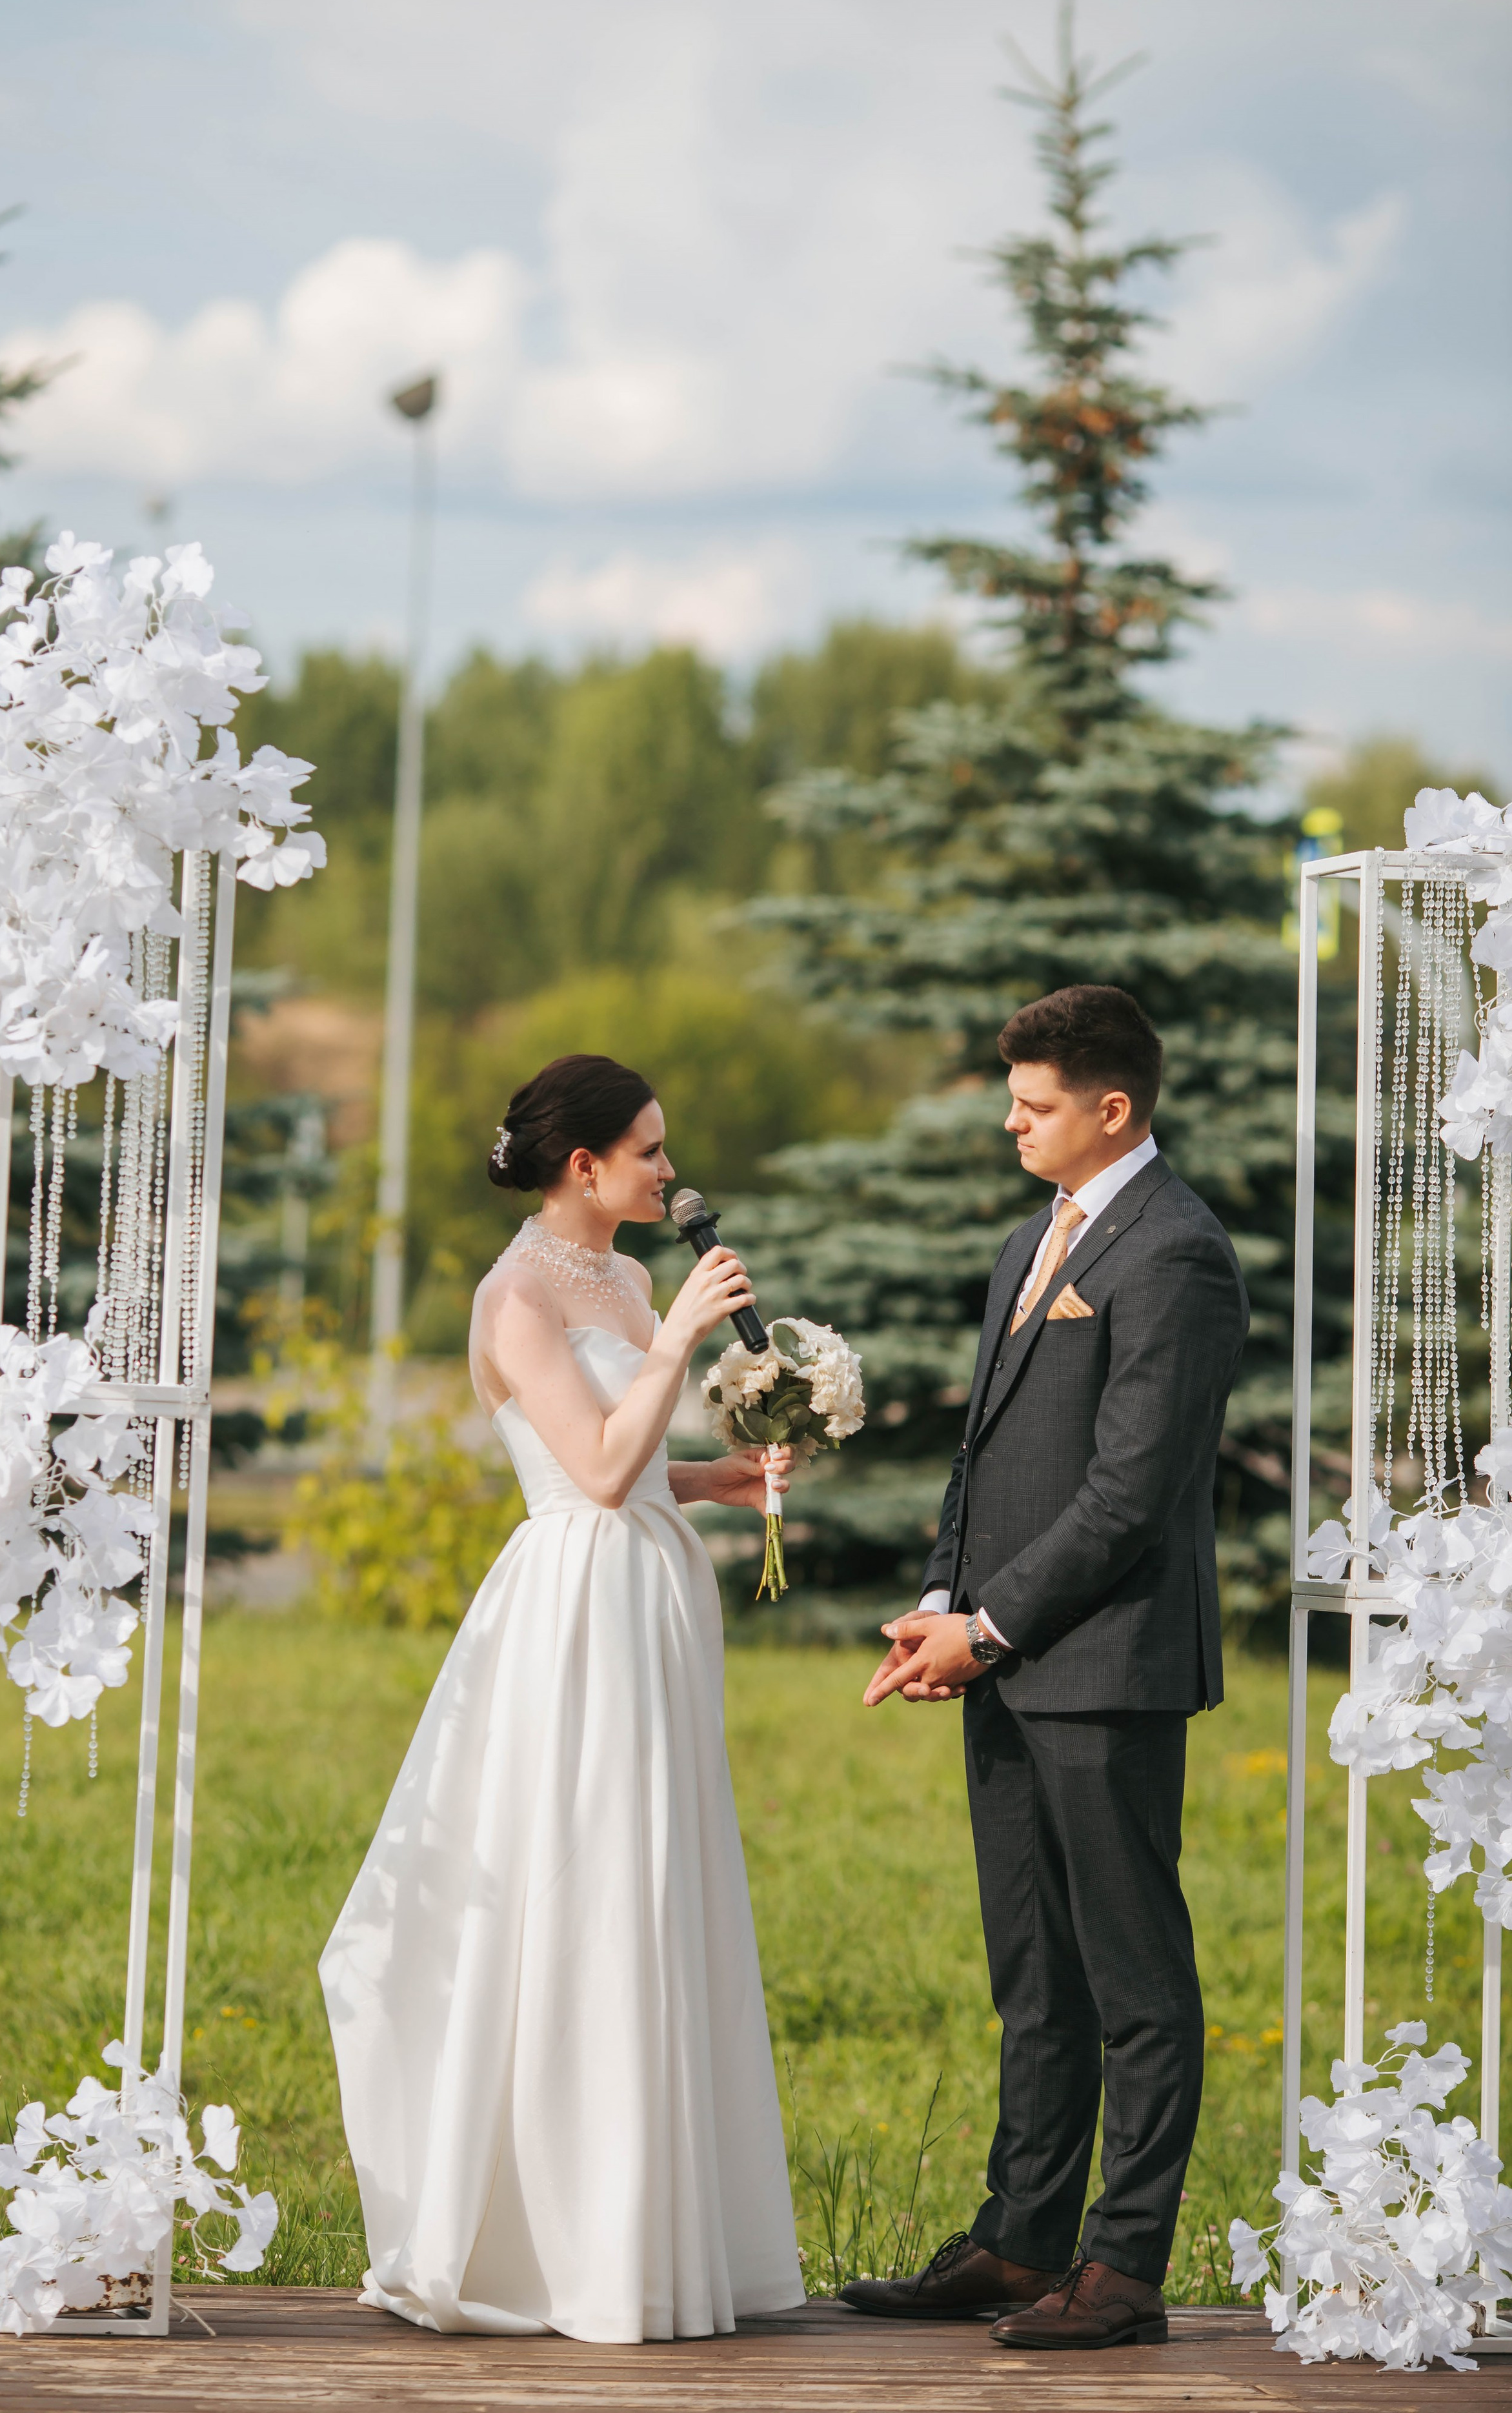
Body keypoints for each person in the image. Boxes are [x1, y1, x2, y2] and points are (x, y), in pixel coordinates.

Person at [320, 1054, 805, 2344]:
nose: (667, 1168)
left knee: (653, 1884)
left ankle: (651, 2233)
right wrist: (691, 1339)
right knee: (584, 1880)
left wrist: (728, 1478)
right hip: (575, 1602)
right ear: (581, 1166)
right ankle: (554, 2244)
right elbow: (587, 1471)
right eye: (647, 1149)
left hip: (651, 1593)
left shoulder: (628, 1277)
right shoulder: (515, 1297)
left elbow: (639, 1461)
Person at [843, 985, 1248, 2353]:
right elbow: (987, 1452)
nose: (1010, 1124)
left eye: (1033, 1105)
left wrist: (991, 1624)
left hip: (1107, 1667)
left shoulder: (1174, 1251)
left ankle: (1120, 2269)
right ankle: (1021, 2243)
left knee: (1130, 1977)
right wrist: (939, 1602)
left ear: (1111, 1108)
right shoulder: (1034, 1239)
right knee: (1032, 1972)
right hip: (1003, 1656)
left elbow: (1132, 1492)